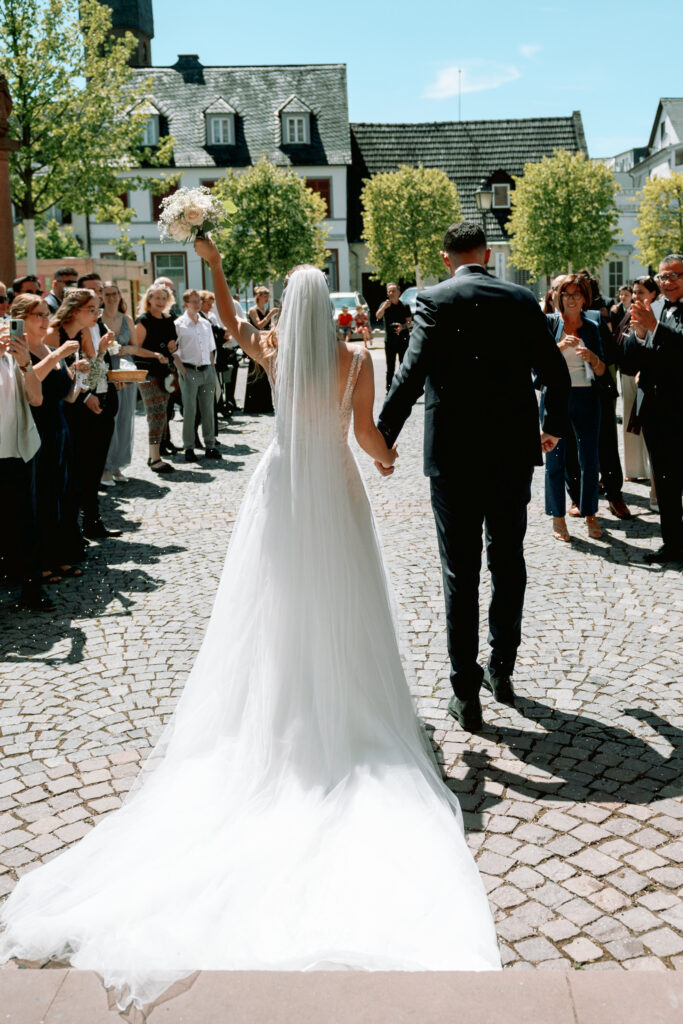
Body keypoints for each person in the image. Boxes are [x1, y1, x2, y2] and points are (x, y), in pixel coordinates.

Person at [0, 234, 502, 1010]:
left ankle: (278, 710)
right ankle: (344, 706)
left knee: (272, 608)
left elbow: (231, 318)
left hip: (279, 496)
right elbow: (369, 440)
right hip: (332, 492)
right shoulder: (352, 363)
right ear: (326, 311)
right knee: (341, 598)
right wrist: (387, 459)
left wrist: (214, 259)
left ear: (286, 313)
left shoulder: (273, 353)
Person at [377, 221, 570, 730]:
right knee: (508, 558)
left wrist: (384, 436)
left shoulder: (435, 299)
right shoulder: (521, 298)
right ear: (487, 254)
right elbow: (555, 372)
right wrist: (549, 427)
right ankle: (501, 669)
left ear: (446, 258)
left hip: (454, 455)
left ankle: (466, 692)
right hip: (510, 451)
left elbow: (410, 373)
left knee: (459, 571)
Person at [11, 295, 84, 581]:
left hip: (59, 427)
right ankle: (40, 562)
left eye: (46, 314)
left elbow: (68, 396)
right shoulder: (18, 351)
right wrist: (57, 356)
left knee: (61, 493)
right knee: (40, 495)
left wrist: (79, 376)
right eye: (38, 315)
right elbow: (29, 384)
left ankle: (61, 555)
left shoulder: (51, 348)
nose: (45, 320)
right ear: (21, 319)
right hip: (35, 427)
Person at [622, 254, 683, 563]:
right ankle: (673, 545)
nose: (667, 282)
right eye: (662, 277)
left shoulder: (661, 315)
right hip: (654, 410)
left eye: (674, 276)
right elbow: (631, 361)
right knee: (666, 482)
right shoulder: (653, 308)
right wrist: (642, 334)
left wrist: (655, 328)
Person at [47, 289, 120, 540]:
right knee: (74, 472)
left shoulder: (82, 333)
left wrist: (100, 352)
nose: (97, 314)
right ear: (75, 310)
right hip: (66, 410)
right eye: (92, 309)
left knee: (90, 470)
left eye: (98, 309)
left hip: (80, 401)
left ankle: (90, 522)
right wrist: (86, 395)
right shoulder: (54, 334)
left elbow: (90, 371)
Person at [543, 274, 610, 543]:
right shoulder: (549, 324)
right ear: (559, 298)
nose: (572, 299)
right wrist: (558, 348)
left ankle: (591, 514)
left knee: (589, 459)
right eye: (566, 294)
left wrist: (593, 357)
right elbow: (538, 366)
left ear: (584, 298)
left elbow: (603, 370)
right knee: (555, 459)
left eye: (576, 294)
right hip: (556, 399)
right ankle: (558, 518)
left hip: (586, 398)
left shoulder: (593, 326)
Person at [0, 320, 49, 610]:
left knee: (25, 523)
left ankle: (32, 590)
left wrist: (26, 363)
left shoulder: (11, 355)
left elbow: (37, 398)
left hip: (17, 451)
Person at [614, 277, 657, 490]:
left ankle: (651, 472)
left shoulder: (654, 315)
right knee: (632, 427)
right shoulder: (629, 312)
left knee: (645, 426)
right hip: (627, 373)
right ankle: (633, 469)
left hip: (645, 376)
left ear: (653, 294)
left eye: (641, 292)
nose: (635, 296)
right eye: (634, 291)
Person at [129, 285, 176, 474]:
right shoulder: (143, 320)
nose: (160, 301)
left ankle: (154, 454)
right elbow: (134, 348)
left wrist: (172, 348)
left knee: (163, 413)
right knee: (155, 413)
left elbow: (172, 346)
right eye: (156, 297)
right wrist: (155, 355)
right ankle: (155, 458)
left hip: (165, 373)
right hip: (147, 372)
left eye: (163, 298)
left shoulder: (168, 320)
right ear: (149, 300)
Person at [173, 288, 221, 461]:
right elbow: (175, 351)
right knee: (190, 411)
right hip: (189, 371)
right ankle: (189, 447)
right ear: (186, 304)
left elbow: (210, 349)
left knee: (208, 410)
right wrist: (183, 371)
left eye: (199, 301)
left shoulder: (205, 323)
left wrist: (212, 372)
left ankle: (210, 445)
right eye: (194, 302)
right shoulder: (179, 324)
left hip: (206, 370)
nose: (197, 304)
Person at [101, 282, 137, 485]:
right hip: (106, 370)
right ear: (102, 297)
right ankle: (105, 466)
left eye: (115, 294)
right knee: (110, 419)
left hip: (125, 369)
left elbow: (135, 345)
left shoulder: (127, 319)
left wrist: (126, 350)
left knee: (125, 418)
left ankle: (118, 466)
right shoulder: (98, 318)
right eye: (108, 294)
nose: (112, 298)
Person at [245, 286, 276, 413]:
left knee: (265, 371)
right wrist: (270, 315)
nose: (266, 299)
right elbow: (259, 325)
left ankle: (265, 404)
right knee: (256, 371)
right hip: (256, 342)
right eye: (264, 296)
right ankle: (254, 405)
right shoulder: (253, 310)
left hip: (266, 343)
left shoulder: (265, 309)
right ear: (259, 297)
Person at [376, 283, 412, 393]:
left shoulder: (405, 305)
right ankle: (389, 389)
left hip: (403, 340)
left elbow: (409, 322)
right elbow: (378, 316)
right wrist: (384, 307)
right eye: (389, 291)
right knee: (390, 367)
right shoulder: (385, 305)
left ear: (399, 292)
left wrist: (403, 327)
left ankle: (404, 388)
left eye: (393, 291)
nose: (391, 293)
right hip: (390, 341)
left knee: (404, 365)